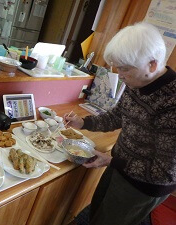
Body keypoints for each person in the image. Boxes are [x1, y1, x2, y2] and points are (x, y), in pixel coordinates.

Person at [65, 22, 176, 225]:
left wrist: (112, 161)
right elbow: (118, 116)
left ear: (152, 64)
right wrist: (83, 123)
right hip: (120, 164)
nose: (120, 75)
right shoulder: (138, 81)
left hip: (144, 185)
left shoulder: (171, 102)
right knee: (98, 210)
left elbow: (165, 172)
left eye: (124, 69)